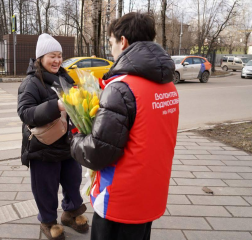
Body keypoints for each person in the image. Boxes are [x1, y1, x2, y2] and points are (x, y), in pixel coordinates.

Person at [70, 12, 179, 240]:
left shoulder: (121, 88)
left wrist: (75, 138)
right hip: (152, 193)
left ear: (123, 41)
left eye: (111, 43)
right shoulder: (168, 86)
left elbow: (99, 152)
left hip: (120, 200)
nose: (111, 50)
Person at [17, 33, 89, 240]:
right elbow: (25, 113)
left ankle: (72, 212)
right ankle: (48, 222)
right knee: (45, 187)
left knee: (72, 180)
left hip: (68, 144)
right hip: (44, 147)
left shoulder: (64, 77)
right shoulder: (32, 82)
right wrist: (55, 106)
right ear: (40, 58)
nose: (57, 60)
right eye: (52, 56)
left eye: (59, 56)